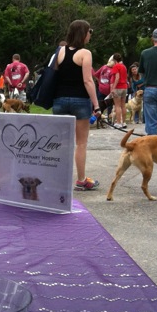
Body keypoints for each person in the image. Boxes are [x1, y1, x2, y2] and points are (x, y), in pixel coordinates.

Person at [51, 19, 102, 191]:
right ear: (83, 33)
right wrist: (97, 106)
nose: (90, 35)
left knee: (59, 142)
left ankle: (56, 179)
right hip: (80, 101)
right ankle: (81, 180)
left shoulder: (59, 51)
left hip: (59, 100)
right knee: (81, 143)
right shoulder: (85, 54)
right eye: (89, 31)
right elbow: (88, 81)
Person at [109, 53, 128, 128]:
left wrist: (113, 87)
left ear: (114, 60)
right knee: (123, 105)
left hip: (118, 87)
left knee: (117, 106)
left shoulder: (116, 66)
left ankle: (118, 122)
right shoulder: (124, 66)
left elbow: (117, 77)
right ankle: (124, 122)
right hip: (124, 87)